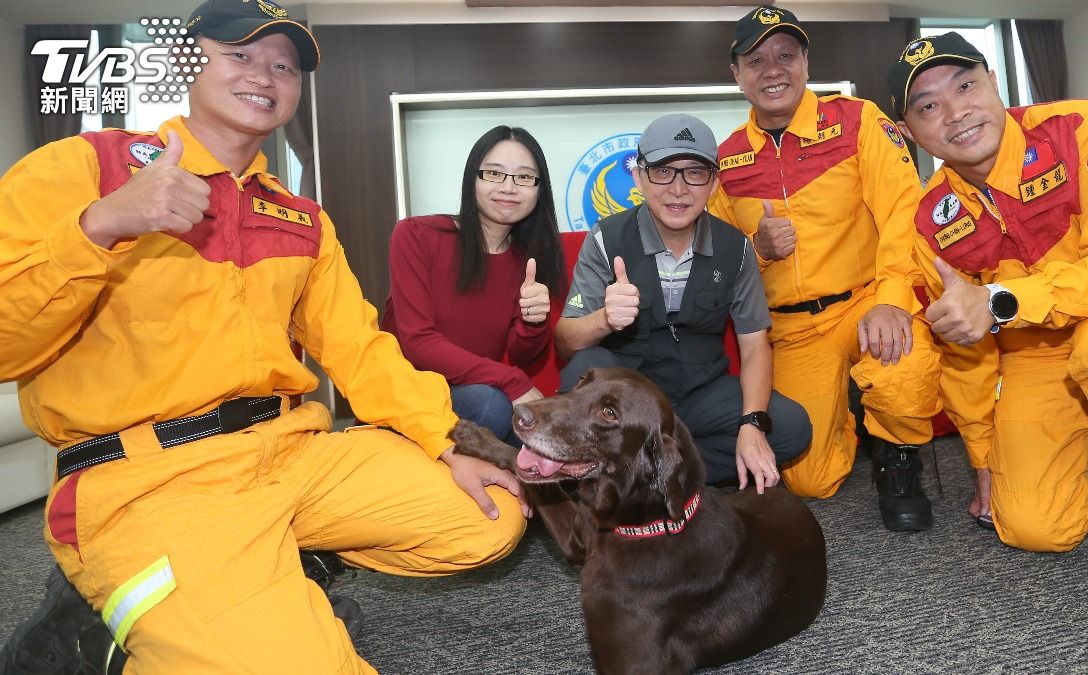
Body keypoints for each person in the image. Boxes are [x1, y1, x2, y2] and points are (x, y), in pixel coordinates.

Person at [0, 1, 528, 673]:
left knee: (488, 516)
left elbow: (360, 350)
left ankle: (255, 572)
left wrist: (444, 442)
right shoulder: (83, 168)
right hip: (148, 478)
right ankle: (136, 618)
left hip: (288, 455)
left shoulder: (301, 217)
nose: (265, 76)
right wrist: (102, 225)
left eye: (284, 65)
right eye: (240, 54)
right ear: (188, 61)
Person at [888, 31, 1088, 577]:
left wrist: (1004, 300)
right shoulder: (928, 219)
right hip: (1035, 355)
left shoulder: (1081, 128)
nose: (956, 112)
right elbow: (963, 351)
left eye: (966, 85)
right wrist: (983, 459)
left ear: (993, 83)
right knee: (1035, 527)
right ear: (910, 131)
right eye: (929, 105)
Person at [707, 6, 942, 530]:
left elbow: (906, 212)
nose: (773, 70)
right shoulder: (723, 161)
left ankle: (897, 459)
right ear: (737, 74)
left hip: (866, 300)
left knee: (901, 375)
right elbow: (715, 266)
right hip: (792, 331)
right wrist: (755, 246)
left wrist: (892, 299)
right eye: (757, 59)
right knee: (812, 479)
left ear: (806, 63)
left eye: (786, 55)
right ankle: (855, 415)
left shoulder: (859, 120)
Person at [555, 113, 812, 493]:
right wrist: (605, 320)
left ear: (713, 184)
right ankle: (654, 471)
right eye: (663, 171)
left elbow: (755, 345)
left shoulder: (736, 247)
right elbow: (565, 341)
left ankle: (647, 474)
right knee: (586, 370)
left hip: (700, 392)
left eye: (695, 173)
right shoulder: (606, 239)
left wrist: (752, 424)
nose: (678, 189)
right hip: (630, 396)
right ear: (640, 177)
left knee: (791, 427)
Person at [381, 126, 566, 446]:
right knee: (492, 405)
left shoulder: (527, 260)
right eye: (494, 174)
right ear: (473, 178)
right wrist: (512, 382)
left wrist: (534, 322)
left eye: (523, 177)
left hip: (477, 392)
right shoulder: (416, 234)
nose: (509, 187)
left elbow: (525, 354)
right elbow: (418, 343)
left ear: (539, 190)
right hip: (408, 393)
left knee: (551, 435)